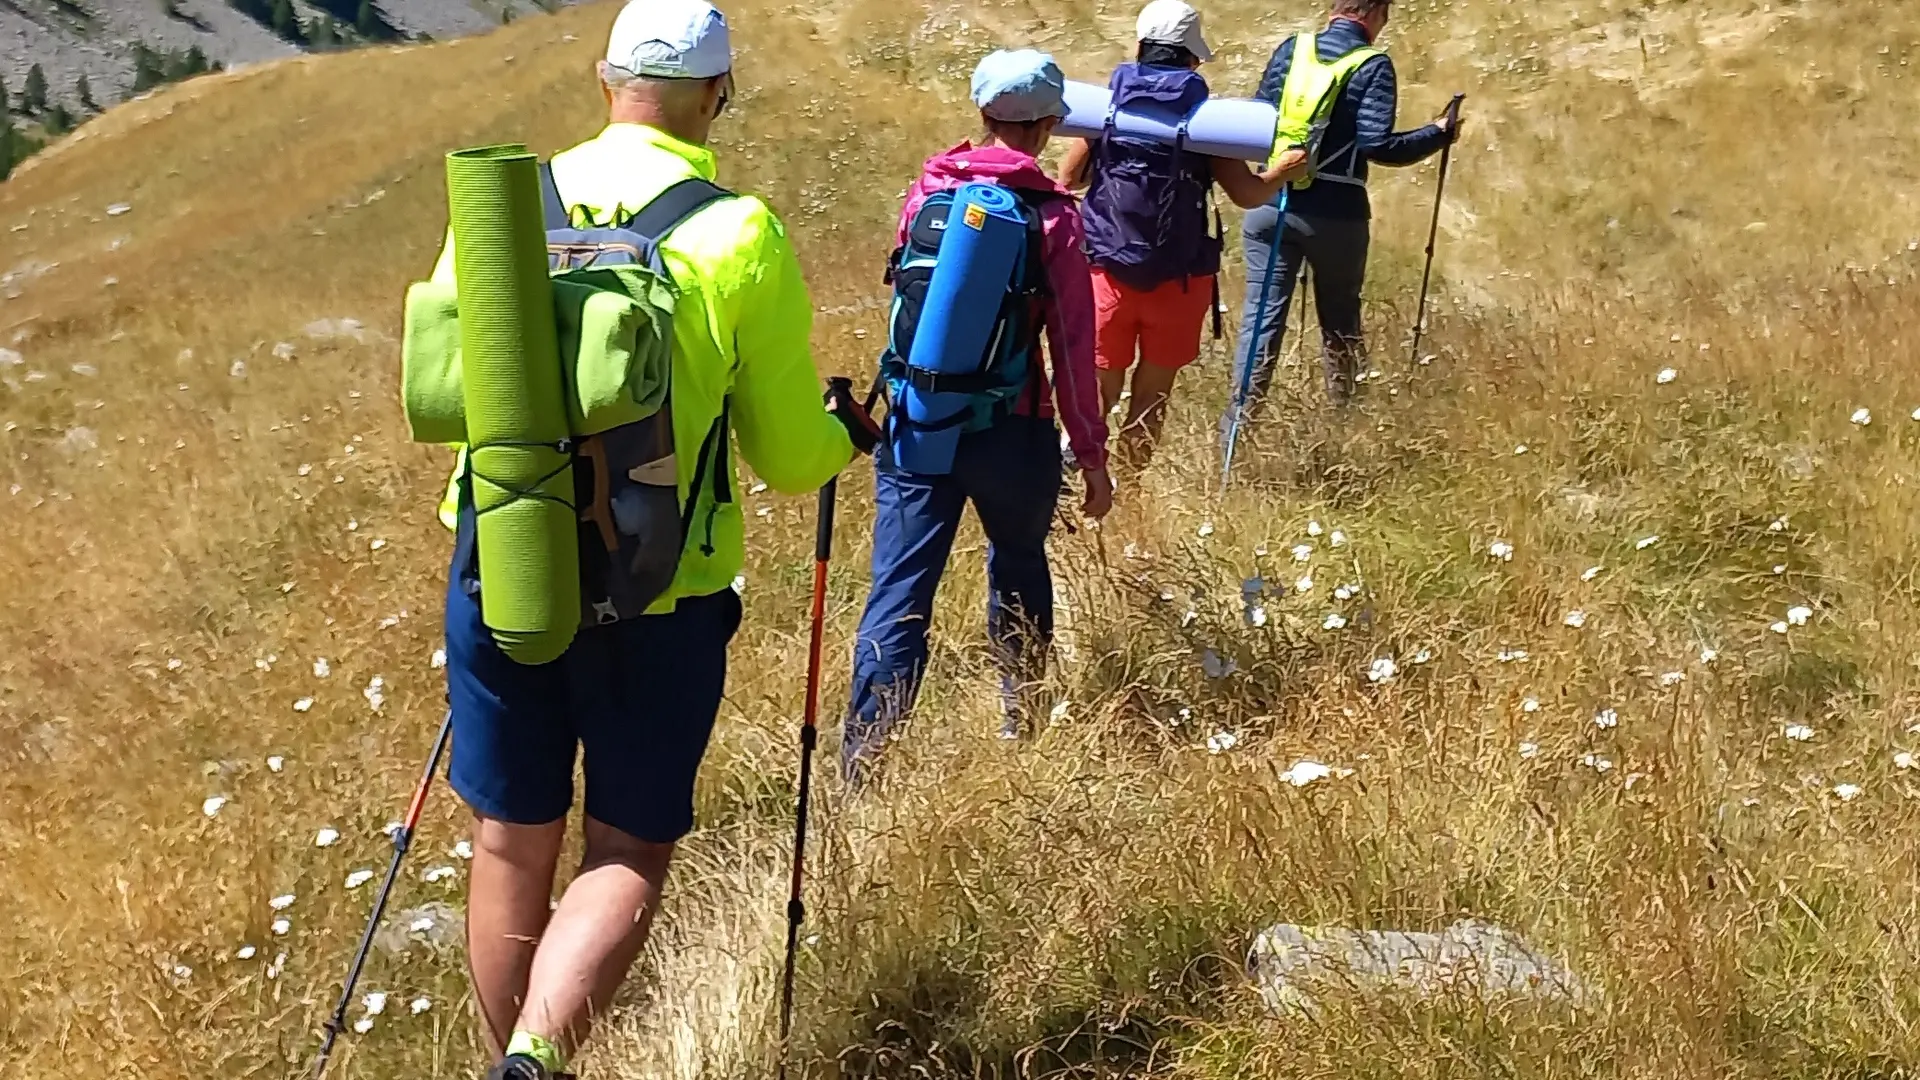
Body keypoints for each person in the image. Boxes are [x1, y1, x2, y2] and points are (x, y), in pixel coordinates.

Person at [426, 2, 879, 1076]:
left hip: (503, 559)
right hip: (661, 588)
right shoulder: (737, 233)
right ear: (719, 94)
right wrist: (848, 434)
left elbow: (449, 386)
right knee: (626, 843)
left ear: (604, 78)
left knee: (508, 837)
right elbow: (790, 458)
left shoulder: (502, 208)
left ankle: (511, 1065)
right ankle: (535, 1062)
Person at [842, 48, 1112, 780]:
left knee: (898, 595)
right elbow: (1074, 347)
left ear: (982, 113)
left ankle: (863, 765)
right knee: (1019, 563)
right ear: (1051, 125)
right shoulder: (1053, 218)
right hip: (1015, 434)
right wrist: (1091, 456)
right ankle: (1021, 721)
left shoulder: (926, 190)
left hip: (918, 420)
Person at [1058, 0, 1308, 464]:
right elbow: (1248, 195)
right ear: (1193, 57)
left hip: (1105, 269)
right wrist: (1283, 172)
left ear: (1139, 47)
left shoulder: (1109, 110)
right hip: (1180, 278)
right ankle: (1131, 496)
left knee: (1098, 386)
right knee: (1152, 396)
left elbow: (1069, 179)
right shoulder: (1209, 124)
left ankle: (1075, 474)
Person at [1223, 0, 1462, 434]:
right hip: (1336, 215)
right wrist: (1437, 134)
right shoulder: (1373, 65)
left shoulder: (1291, 49)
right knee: (1340, 324)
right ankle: (1349, 429)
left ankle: (1236, 435)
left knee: (1261, 321)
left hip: (1270, 202)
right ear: (1374, 15)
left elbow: (1255, 122)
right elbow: (1378, 146)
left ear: (1336, 8)